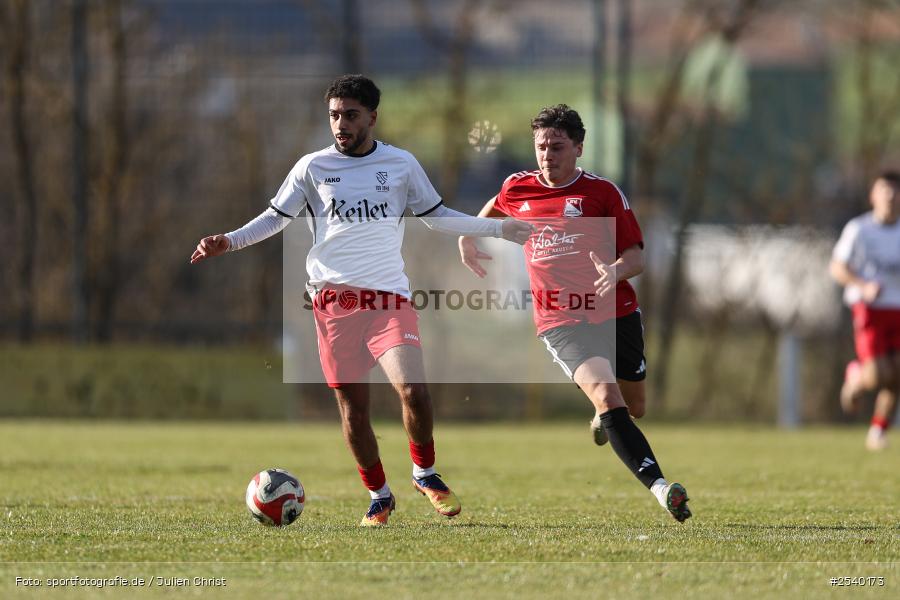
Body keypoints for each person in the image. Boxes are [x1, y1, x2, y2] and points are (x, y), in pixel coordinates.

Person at [191, 74, 532, 525]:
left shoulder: (401, 164)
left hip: (389, 299)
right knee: (354, 411)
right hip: (333, 305)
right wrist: (229, 241)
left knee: (414, 390)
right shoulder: (312, 167)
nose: (341, 124)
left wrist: (498, 228)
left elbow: (436, 217)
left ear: (372, 117)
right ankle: (379, 495)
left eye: (350, 115)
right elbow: (275, 217)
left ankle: (424, 473)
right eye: (334, 115)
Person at [458, 104, 691, 522]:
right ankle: (661, 488)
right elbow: (495, 205)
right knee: (608, 396)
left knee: (634, 406)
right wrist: (469, 237)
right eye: (541, 146)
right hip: (560, 321)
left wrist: (614, 271)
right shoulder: (519, 187)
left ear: (579, 148)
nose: (547, 155)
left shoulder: (602, 194)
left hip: (616, 311)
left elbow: (636, 257)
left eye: (557, 147)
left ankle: (606, 417)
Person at [830, 171, 900, 451]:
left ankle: (878, 431)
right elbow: (837, 267)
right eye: (885, 190)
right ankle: (857, 376)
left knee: (898, 374)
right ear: (873, 196)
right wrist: (863, 285)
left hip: (898, 310)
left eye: (896, 191)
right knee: (878, 375)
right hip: (869, 310)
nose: (891, 196)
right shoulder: (859, 229)